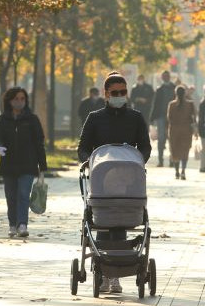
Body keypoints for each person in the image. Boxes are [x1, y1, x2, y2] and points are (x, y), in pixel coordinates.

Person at [78, 71, 151, 294]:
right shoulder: (95, 118)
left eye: (123, 92)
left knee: (120, 222)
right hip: (102, 180)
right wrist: (89, 162)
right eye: (115, 93)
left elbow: (145, 146)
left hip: (128, 180)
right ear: (106, 94)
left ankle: (115, 275)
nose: (120, 96)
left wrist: (138, 162)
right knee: (102, 221)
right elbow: (83, 147)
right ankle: (103, 272)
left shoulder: (135, 118)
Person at [0, 87, 47, 238]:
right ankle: (12, 224)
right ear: (9, 101)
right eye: (16, 99)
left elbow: (39, 143)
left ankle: (22, 224)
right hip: (8, 164)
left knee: (23, 194)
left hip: (27, 164)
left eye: (22, 99)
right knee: (11, 196)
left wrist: (42, 166)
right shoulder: (3, 120)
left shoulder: (32, 119)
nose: (19, 102)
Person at [167, 85, 196, 180]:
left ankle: (176, 172)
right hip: (186, 130)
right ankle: (183, 171)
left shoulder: (171, 104)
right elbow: (194, 118)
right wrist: (195, 130)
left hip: (174, 130)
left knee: (175, 151)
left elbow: (169, 118)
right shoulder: (190, 104)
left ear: (175, 93)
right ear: (185, 93)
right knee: (185, 151)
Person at [149, 71, 176, 167]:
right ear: (162, 78)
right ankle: (160, 160)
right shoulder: (159, 89)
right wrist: (152, 118)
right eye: (164, 76)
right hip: (160, 116)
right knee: (161, 139)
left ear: (169, 77)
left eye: (167, 76)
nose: (165, 77)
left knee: (171, 139)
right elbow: (155, 104)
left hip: (172, 117)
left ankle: (172, 160)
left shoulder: (174, 88)